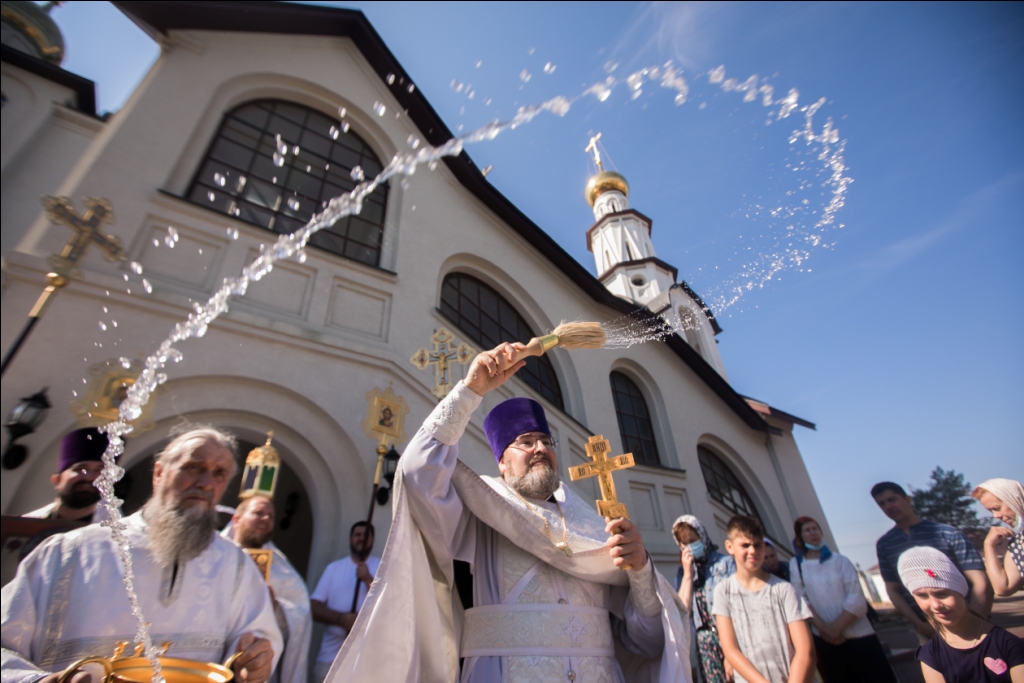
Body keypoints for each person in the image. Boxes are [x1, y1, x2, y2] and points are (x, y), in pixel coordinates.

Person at [330, 342, 690, 682]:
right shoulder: (480, 510)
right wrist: (470, 391)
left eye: (547, 442)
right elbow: (416, 471)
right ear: (501, 462)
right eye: (525, 442)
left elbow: (648, 642)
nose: (540, 449)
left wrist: (641, 569)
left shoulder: (593, 527)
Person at [1, 425, 283, 683]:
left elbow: (256, 642)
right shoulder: (67, 553)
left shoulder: (235, 566)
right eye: (193, 467)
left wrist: (255, 661)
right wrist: (38, 681)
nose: (206, 483)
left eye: (219, 474)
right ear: (159, 473)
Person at [872, 481, 992, 640]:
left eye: (892, 499)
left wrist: (976, 621)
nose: (888, 506)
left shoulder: (947, 534)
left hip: (969, 624)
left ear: (907, 499)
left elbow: (979, 580)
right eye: (882, 504)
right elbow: (893, 590)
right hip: (928, 630)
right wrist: (921, 625)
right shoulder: (885, 544)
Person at [788, 516, 896, 683]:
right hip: (825, 638)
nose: (813, 533)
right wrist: (824, 629)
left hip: (859, 636)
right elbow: (801, 600)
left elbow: (856, 598)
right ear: (800, 537)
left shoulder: (840, 561)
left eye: (815, 529)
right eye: (807, 531)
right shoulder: (796, 565)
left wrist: (836, 629)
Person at [898, 546, 1024, 683]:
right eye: (922, 596)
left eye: (942, 594)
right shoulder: (930, 654)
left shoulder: (1007, 644)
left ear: (960, 591)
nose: (935, 605)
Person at [713, 515, 814, 683]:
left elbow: (805, 651)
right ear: (729, 547)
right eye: (745, 545)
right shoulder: (723, 592)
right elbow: (730, 649)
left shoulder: (784, 589)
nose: (752, 551)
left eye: (757, 545)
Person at [226, 496, 311, 683]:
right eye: (258, 513)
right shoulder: (213, 557)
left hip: (258, 667)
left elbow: (300, 620)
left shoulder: (282, 571)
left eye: (271, 516)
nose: (266, 519)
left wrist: (276, 608)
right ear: (236, 519)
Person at [309, 522, 380, 683]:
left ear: (373, 540)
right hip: (330, 659)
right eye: (357, 535)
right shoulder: (333, 569)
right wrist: (340, 619)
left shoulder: (383, 568)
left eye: (366, 535)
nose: (361, 539)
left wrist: (368, 579)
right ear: (350, 539)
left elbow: (391, 607)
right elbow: (313, 607)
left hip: (366, 661)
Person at [673, 514, 736, 683]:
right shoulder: (683, 574)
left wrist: (731, 653)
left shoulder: (726, 564)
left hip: (729, 635)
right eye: (684, 544)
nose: (689, 547)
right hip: (705, 643)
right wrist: (688, 575)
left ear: (702, 537)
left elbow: (736, 607)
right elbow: (681, 612)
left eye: (693, 541)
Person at [23, 428, 110, 523]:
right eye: (80, 469)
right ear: (56, 480)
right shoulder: (23, 525)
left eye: (99, 470)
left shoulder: (117, 534)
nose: (89, 477)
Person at [971, 478, 1024, 597]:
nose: (996, 516)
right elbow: (1002, 588)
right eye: (991, 511)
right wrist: (989, 545)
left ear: (1014, 499)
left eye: (997, 508)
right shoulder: (1019, 542)